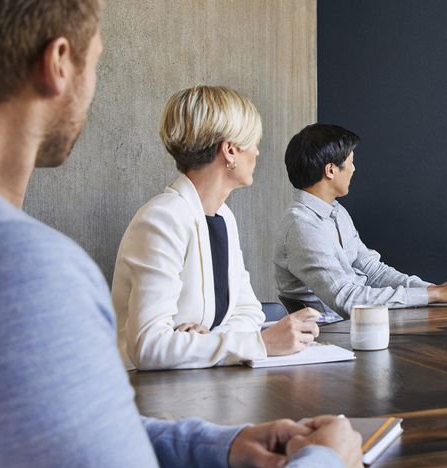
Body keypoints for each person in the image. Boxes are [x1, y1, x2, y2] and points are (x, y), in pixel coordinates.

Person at [0, 0, 360, 468]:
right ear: (58, 63)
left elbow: (58, 429)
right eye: (95, 59)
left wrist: (215, 446)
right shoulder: (10, 268)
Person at [111, 86, 323, 370]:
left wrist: (209, 339)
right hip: (146, 392)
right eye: (253, 142)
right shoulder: (163, 218)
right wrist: (260, 344)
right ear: (230, 150)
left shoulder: (223, 217)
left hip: (196, 386)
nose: (258, 152)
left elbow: (249, 312)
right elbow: (148, 346)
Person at [275, 124, 447, 320]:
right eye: (351, 162)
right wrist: (435, 294)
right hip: (331, 335)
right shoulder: (302, 227)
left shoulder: (336, 212)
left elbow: (373, 271)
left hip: (360, 325)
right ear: (331, 170)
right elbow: (347, 300)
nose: (354, 169)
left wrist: (433, 290)